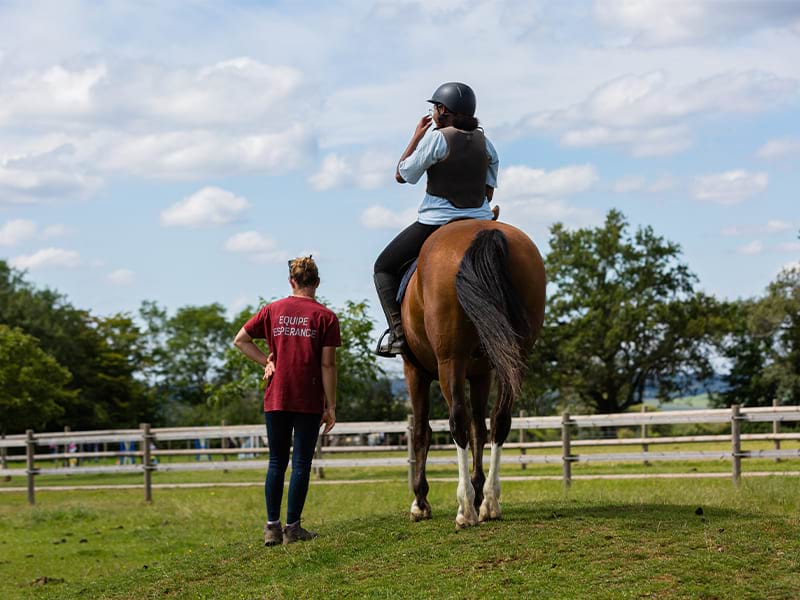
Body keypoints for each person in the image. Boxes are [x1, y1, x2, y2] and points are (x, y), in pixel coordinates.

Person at [374, 81, 499, 357]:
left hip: (437, 221)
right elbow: (488, 192)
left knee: (383, 266)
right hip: (480, 221)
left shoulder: (436, 139)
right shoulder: (487, 144)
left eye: (435, 108)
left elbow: (402, 174)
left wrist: (416, 137)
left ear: (443, 110)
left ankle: (397, 335)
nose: (433, 113)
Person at [234, 256, 340, 546]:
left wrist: (265, 363)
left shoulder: (272, 310)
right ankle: (293, 528)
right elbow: (328, 365)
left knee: (276, 462)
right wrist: (330, 406)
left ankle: (272, 527)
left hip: (277, 396)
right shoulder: (326, 317)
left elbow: (240, 340)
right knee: (302, 463)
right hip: (308, 398)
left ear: (291, 282)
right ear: (317, 283)